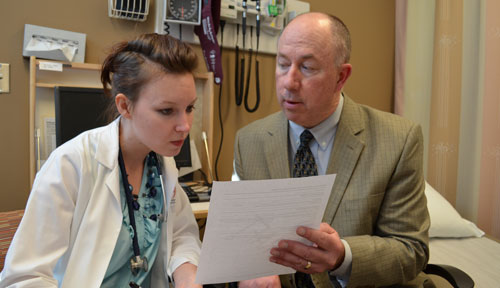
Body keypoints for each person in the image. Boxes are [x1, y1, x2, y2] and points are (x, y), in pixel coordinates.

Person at [233, 12, 431, 287]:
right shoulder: (249, 141)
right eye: (282, 64)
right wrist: (250, 270)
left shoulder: (398, 140)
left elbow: (412, 250)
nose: (288, 82)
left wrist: (343, 257)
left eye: (307, 68)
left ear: (341, 77)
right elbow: (241, 236)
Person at [0, 33, 202, 288]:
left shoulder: (162, 165)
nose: (184, 126)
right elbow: (25, 277)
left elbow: (181, 234)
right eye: (166, 111)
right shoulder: (70, 165)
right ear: (125, 106)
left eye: (190, 108)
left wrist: (187, 274)